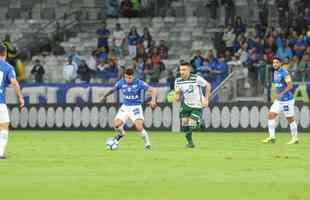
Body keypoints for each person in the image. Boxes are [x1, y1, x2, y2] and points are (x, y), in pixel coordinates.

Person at [101, 68, 157, 150]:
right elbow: (112, 90)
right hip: (125, 107)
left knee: (139, 126)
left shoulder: (139, 82)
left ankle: (147, 145)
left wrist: (153, 100)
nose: (128, 79)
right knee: (116, 124)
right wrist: (104, 96)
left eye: (130, 78)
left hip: (135, 107)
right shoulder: (121, 82)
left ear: (133, 76)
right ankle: (120, 134)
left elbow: (153, 90)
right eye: (126, 77)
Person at [262, 57, 298, 144]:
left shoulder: (285, 73)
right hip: (279, 100)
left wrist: (281, 93)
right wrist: (276, 95)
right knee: (271, 115)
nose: (274, 64)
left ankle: (295, 138)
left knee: (290, 119)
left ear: (280, 63)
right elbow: (278, 85)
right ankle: (272, 137)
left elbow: (290, 86)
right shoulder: (275, 72)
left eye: (276, 62)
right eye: (273, 62)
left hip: (287, 100)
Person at [174, 62, 211, 148]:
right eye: (180, 70)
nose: (181, 72)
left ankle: (200, 123)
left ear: (189, 70)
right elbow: (178, 94)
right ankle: (190, 143)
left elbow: (208, 85)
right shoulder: (177, 81)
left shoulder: (196, 78)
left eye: (184, 70)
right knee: (185, 126)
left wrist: (206, 99)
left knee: (191, 125)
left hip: (197, 105)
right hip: (186, 105)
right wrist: (176, 97)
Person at [0, 43, 24, 159]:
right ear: (5, 53)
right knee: (4, 126)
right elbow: (14, 82)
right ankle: (0, 153)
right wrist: (20, 97)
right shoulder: (7, 67)